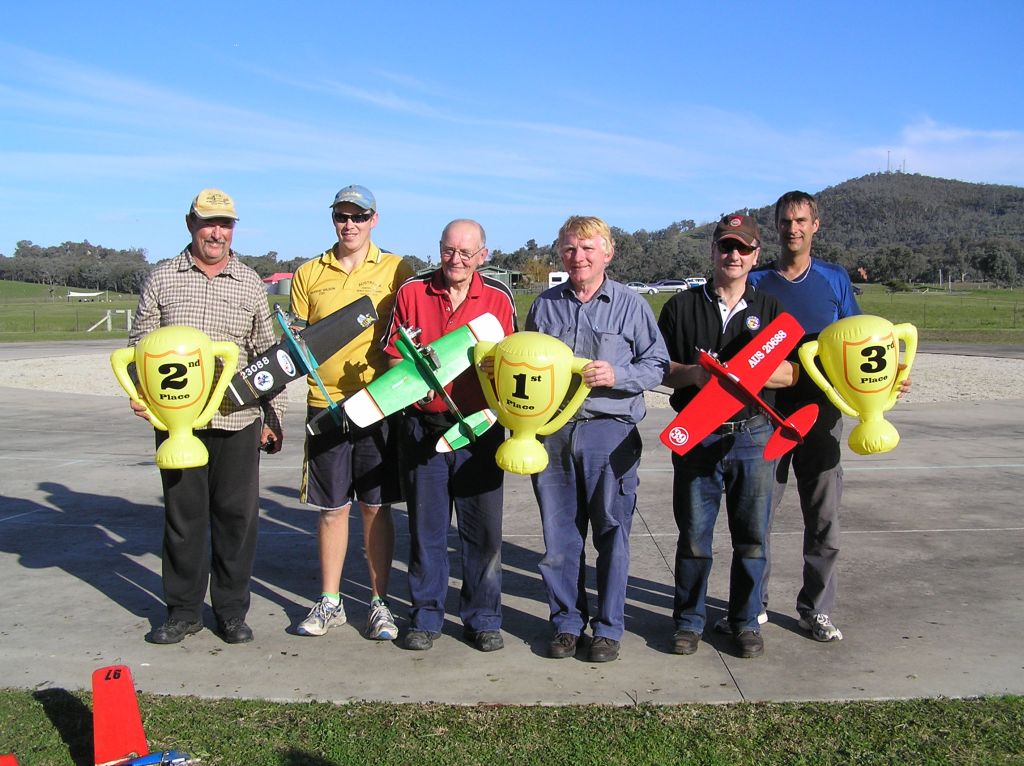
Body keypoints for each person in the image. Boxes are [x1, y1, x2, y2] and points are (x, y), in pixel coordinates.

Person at [129, 188, 286, 645]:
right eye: (208, 223)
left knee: (237, 519)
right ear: (190, 224)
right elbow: (138, 346)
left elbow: (267, 356)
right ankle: (182, 611)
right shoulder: (163, 278)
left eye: (225, 224)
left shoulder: (250, 282)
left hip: (238, 420)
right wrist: (140, 394)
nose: (217, 233)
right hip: (178, 423)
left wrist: (274, 417)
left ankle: (232, 611)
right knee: (184, 519)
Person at [527, 215, 669, 663]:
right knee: (559, 538)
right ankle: (567, 624)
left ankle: (607, 628)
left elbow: (658, 365)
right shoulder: (544, 306)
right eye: (570, 248)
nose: (579, 257)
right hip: (553, 432)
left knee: (611, 532)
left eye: (588, 248)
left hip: (609, 431)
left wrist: (617, 375)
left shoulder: (630, 305)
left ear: (608, 252)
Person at [658, 214, 797, 659]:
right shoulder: (680, 307)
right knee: (694, 538)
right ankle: (689, 621)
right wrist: (695, 374)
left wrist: (751, 374)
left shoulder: (772, 309)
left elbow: (791, 373)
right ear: (713, 250)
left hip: (752, 436)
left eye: (743, 248)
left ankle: (745, 621)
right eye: (726, 246)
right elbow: (661, 369)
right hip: (697, 436)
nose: (733, 255)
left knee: (752, 538)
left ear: (756, 255)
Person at [383, 219, 517, 653]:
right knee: (427, 531)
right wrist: (412, 382)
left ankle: (483, 618)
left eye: (465, 252)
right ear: (439, 248)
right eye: (448, 250)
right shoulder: (412, 292)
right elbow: (391, 357)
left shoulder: (498, 298)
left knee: (483, 534)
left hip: (481, 430)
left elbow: (515, 358)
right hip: (424, 431)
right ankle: (425, 616)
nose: (455, 260)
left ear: (483, 255)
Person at [289, 185, 414, 641]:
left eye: (358, 217)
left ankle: (379, 603)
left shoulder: (397, 268)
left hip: (380, 403)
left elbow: (409, 329)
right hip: (325, 404)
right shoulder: (308, 272)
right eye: (342, 216)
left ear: (373, 219)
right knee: (331, 509)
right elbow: (297, 337)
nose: (350, 225)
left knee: (376, 507)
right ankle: (330, 601)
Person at [746, 190, 861, 642]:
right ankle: (752, 607)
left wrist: (887, 380)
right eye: (785, 221)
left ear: (815, 225)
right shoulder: (757, 281)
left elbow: (857, 341)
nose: (792, 229)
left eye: (800, 221)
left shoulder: (834, 279)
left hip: (822, 416)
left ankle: (816, 610)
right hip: (766, 416)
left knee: (824, 519)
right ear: (775, 227)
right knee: (757, 517)